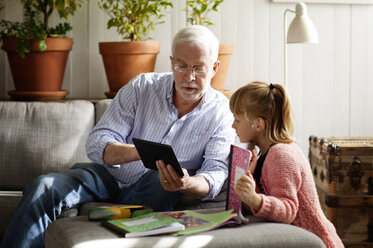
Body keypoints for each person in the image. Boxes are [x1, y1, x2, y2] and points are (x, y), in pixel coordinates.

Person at [0, 25, 235, 248]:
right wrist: (140, 151)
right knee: (43, 187)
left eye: (199, 68)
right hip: (106, 176)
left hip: (154, 191)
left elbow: (215, 173)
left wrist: (187, 183)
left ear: (214, 67)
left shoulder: (222, 113)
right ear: (172, 62)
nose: (189, 77)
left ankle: (122, 217)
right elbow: (98, 141)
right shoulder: (142, 86)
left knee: (159, 179)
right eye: (182, 67)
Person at [230, 81, 344, 248]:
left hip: (319, 242)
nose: (233, 125)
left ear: (259, 124)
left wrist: (255, 199)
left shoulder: (281, 155)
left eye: (237, 120)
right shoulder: (263, 155)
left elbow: (288, 210)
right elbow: (256, 209)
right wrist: (250, 182)